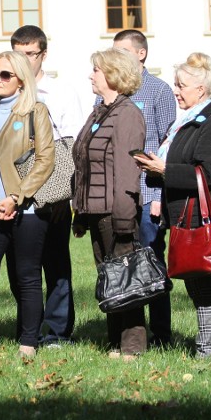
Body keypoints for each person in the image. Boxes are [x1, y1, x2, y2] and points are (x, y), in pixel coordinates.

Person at [133, 53, 211, 357]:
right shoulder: (188, 120)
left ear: (200, 90)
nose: (176, 91)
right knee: (196, 280)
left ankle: (210, 346)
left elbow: (206, 172)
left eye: (181, 86)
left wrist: (163, 170)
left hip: (205, 215)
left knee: (203, 280)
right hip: (185, 212)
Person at [0, 51, 55, 360]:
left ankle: (28, 344)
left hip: (27, 211)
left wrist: (17, 198)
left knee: (28, 277)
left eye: (5, 74)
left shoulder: (36, 112)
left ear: (20, 79)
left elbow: (45, 161)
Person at [10, 25, 86, 346]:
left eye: (31, 54)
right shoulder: (5, 90)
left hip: (53, 188)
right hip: (15, 188)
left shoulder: (61, 92)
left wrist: (70, 196)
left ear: (43, 54)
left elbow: (75, 143)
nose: (25, 61)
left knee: (56, 263)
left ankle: (57, 331)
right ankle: (29, 326)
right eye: (19, 54)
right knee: (19, 266)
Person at [73, 48, 146, 360]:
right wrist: (80, 209)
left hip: (116, 212)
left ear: (114, 75)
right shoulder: (100, 112)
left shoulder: (127, 113)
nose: (91, 75)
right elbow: (84, 162)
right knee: (110, 279)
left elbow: (128, 170)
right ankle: (115, 341)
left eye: (97, 71)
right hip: (95, 211)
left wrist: (125, 217)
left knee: (126, 280)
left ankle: (132, 346)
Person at [110, 30, 176, 346]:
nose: (116, 57)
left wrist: (160, 196)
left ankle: (162, 333)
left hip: (149, 194)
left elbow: (169, 143)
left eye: (123, 51)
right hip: (118, 196)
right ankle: (126, 333)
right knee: (121, 263)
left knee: (152, 262)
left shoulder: (159, 91)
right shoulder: (108, 92)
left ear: (141, 54)